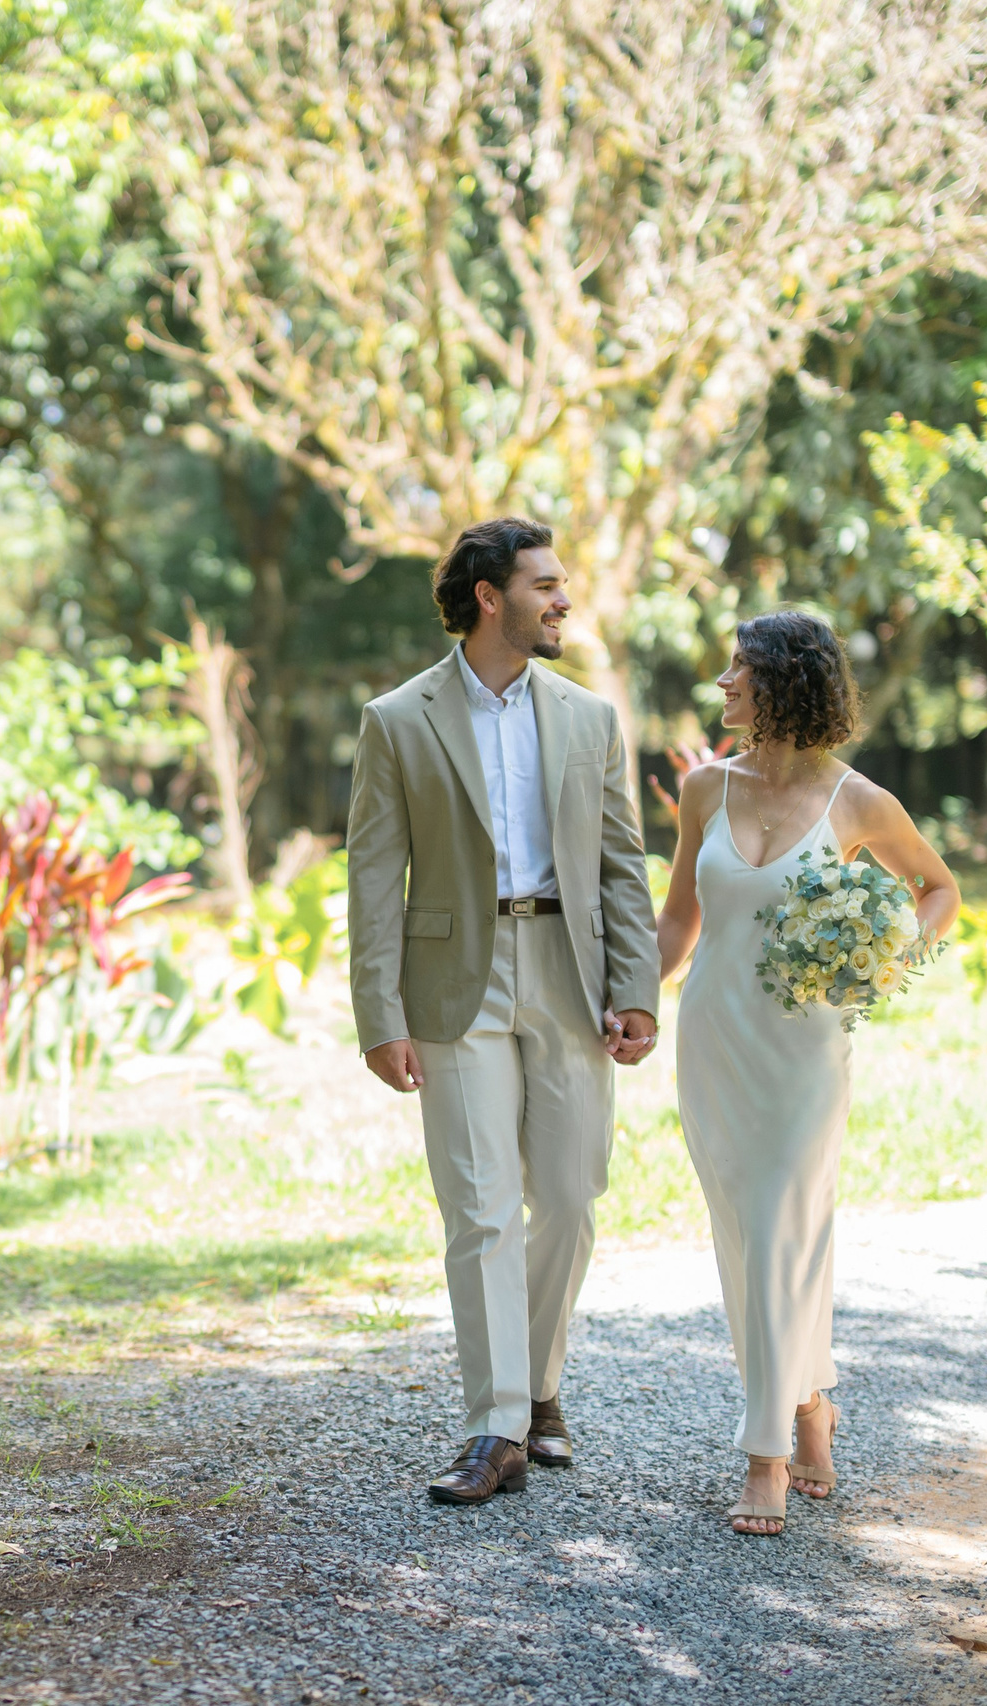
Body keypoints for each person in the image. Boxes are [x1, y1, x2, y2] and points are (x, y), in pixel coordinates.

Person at [346, 516, 662, 1505]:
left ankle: (536, 1386)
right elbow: (372, 876)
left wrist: (635, 988)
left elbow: (620, 864)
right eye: (544, 585)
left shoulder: (589, 718)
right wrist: (379, 1012)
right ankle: (497, 1423)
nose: (563, 600)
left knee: (568, 1196)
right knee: (479, 1207)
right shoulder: (397, 719)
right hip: (454, 978)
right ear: (489, 597)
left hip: (569, 968)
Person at [652, 610, 960, 1537]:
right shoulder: (705, 789)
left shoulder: (858, 801)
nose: (723, 683)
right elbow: (680, 918)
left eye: (738, 669)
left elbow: (939, 890)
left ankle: (766, 1458)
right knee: (750, 1239)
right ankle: (811, 1403)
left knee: (782, 1229)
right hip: (713, 1040)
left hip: (805, 1050)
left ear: (784, 680)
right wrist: (630, 1001)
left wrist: (886, 960)